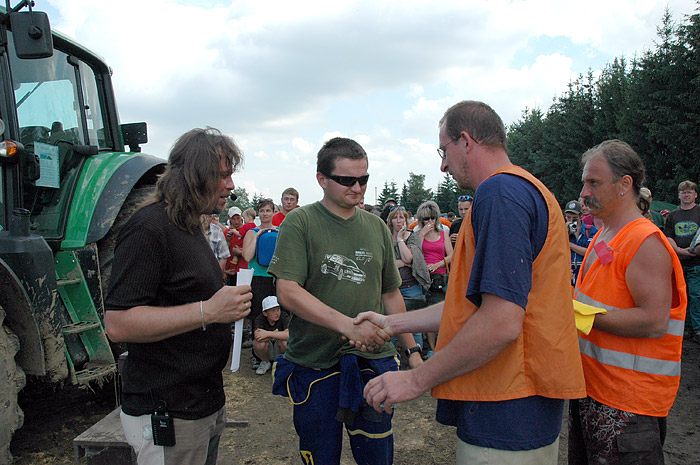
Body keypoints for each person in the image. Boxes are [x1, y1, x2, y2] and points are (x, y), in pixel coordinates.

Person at [358, 100, 586, 464]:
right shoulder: (522, 190)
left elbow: (500, 321)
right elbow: (470, 307)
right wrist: (392, 323)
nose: (443, 165)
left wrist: (416, 380)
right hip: (517, 401)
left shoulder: (500, 194)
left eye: (443, 150)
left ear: (466, 141)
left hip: (507, 403)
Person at [268, 137, 422, 465]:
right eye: (347, 180)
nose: (358, 188)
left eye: (363, 179)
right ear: (321, 179)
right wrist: (349, 327)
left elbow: (390, 293)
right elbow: (288, 290)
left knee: (376, 452)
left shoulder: (376, 227)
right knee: (320, 453)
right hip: (316, 360)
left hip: (374, 360)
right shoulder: (300, 222)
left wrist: (413, 351)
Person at [104, 127, 253, 465]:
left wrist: (222, 306)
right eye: (223, 175)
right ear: (195, 176)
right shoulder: (148, 229)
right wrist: (208, 311)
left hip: (202, 404)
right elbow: (118, 324)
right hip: (168, 411)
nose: (231, 185)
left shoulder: (189, 226)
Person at [569, 139, 686, 464]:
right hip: (594, 391)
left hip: (629, 405)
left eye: (594, 183)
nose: (583, 193)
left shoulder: (644, 241)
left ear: (624, 185)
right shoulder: (606, 235)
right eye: (584, 183)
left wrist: (579, 316)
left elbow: (654, 321)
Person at [386, 205, 431, 352]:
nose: (399, 221)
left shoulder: (413, 236)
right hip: (391, 288)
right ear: (390, 220)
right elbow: (386, 263)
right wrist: (404, 263)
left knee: (414, 325)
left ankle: (416, 356)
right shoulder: (385, 237)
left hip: (412, 287)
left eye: (402, 217)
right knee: (391, 325)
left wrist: (400, 239)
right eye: (395, 217)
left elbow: (409, 258)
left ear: (406, 220)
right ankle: (392, 357)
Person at [664, 180, 700, 342]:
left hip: (696, 263)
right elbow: (668, 236)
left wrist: (694, 250)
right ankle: (683, 327)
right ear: (679, 195)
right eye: (683, 192)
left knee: (695, 295)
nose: (686, 195)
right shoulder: (673, 215)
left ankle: (697, 328)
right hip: (678, 262)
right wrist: (678, 250)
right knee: (680, 296)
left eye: (689, 192)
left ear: (695, 194)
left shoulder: (699, 212)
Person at [416, 200, 453, 357]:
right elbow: (414, 253)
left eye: (433, 218)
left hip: (440, 277)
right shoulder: (418, 234)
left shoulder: (443, 233)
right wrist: (422, 235)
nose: (430, 221)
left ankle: (442, 345)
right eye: (426, 218)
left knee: (441, 314)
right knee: (426, 314)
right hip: (423, 278)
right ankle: (431, 348)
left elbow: (452, 255)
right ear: (421, 220)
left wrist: (438, 264)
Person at [242, 198, 279, 342]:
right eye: (262, 211)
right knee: (258, 313)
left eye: (268, 210)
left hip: (275, 277)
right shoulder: (252, 232)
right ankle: (258, 346)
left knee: (278, 313)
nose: (265, 214)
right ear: (258, 213)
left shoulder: (280, 231)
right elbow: (247, 256)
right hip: (258, 277)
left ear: (273, 212)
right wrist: (257, 236)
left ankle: (277, 344)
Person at [253, 296, 289, 375]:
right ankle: (265, 362)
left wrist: (267, 334)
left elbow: (288, 334)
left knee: (285, 342)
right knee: (259, 343)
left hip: (278, 347)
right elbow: (258, 336)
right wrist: (280, 335)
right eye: (273, 311)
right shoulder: (260, 319)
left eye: (278, 309)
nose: (277, 313)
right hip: (268, 349)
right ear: (265, 313)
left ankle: (282, 363)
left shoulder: (284, 316)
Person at [564, 199, 598, 285]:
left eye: (575, 218)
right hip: (568, 281)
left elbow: (595, 254)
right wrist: (564, 234)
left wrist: (569, 244)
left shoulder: (591, 230)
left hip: (587, 279)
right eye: (568, 217)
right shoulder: (563, 232)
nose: (571, 221)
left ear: (580, 216)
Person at [203, 213, 230, 281]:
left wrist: (217, 274)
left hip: (213, 275)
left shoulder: (217, 230)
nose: (206, 219)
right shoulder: (191, 230)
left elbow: (224, 255)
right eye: (204, 216)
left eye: (209, 216)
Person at [223, 206, 245, 283]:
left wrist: (240, 252)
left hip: (243, 269)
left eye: (238, 218)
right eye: (233, 219)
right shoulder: (226, 232)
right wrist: (228, 241)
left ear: (241, 216)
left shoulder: (247, 231)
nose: (236, 222)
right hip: (230, 271)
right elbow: (223, 253)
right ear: (229, 218)